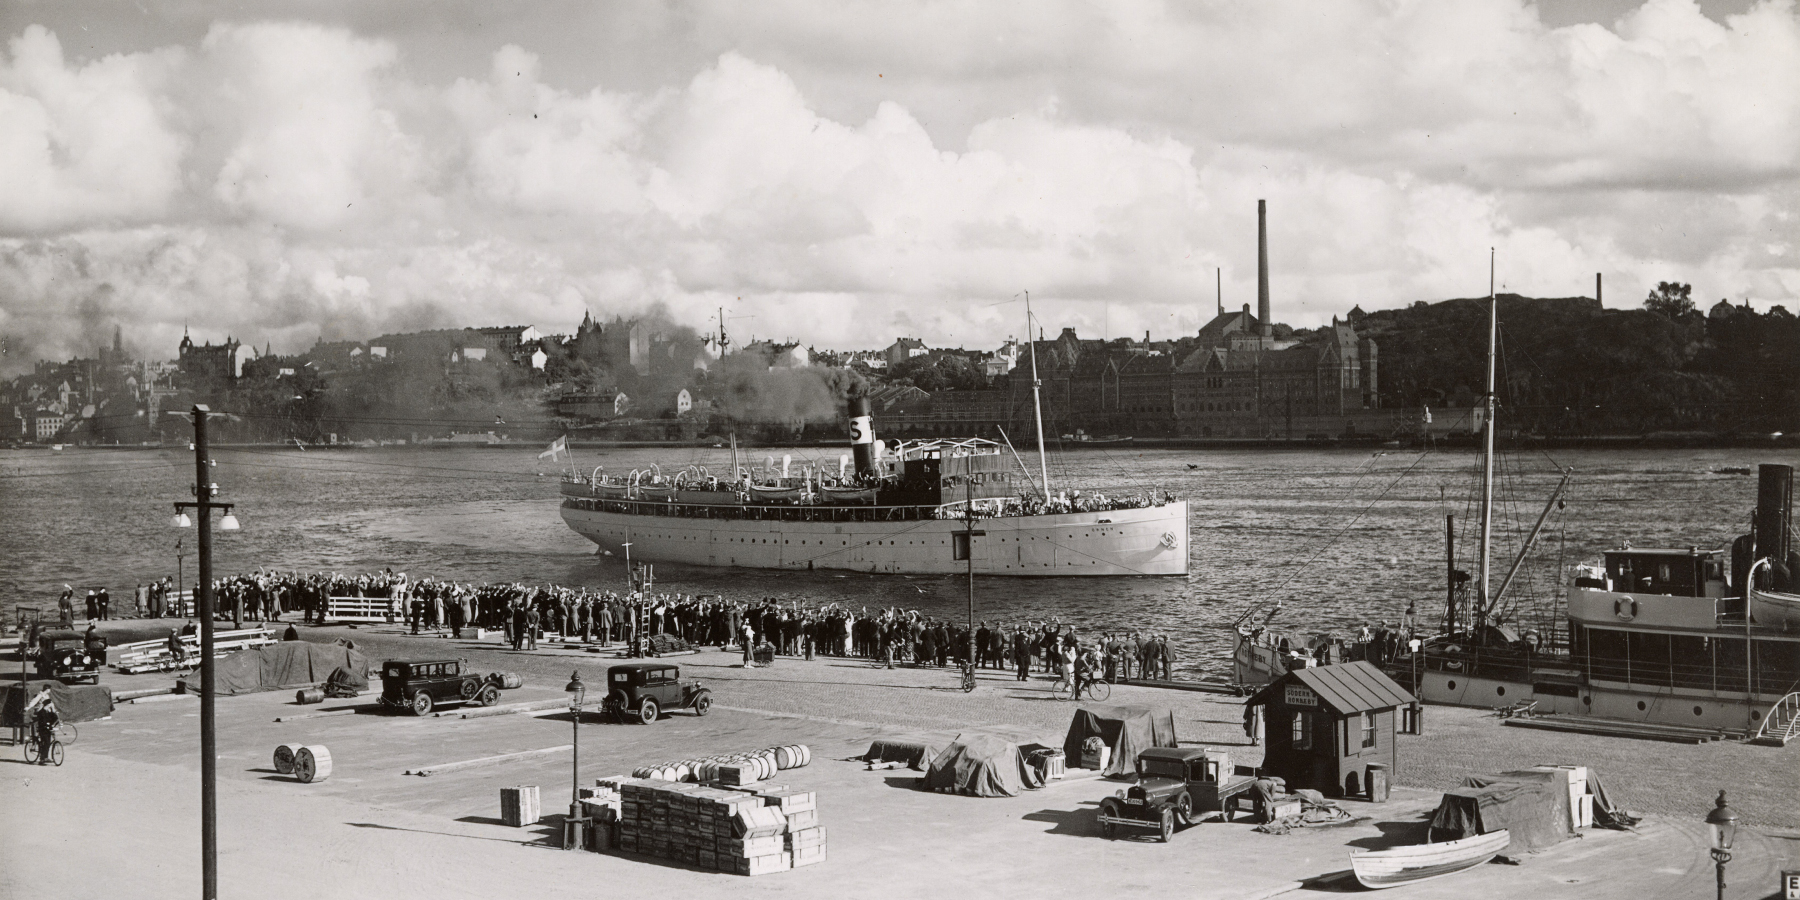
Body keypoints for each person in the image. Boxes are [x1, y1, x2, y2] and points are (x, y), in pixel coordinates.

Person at [25, 685, 58, 762]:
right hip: (41, 713)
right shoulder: (40, 695)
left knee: (47, 738)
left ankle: (44, 756)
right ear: (47, 689)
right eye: (49, 689)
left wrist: (54, 710)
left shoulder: (47, 695)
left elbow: (50, 704)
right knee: (45, 738)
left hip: (46, 712)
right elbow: (34, 701)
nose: (50, 690)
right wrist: (28, 707)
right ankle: (43, 757)